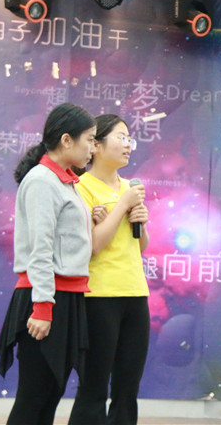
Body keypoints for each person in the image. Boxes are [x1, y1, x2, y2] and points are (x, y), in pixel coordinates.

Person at [0, 103, 96, 425]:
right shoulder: (42, 180)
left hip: (64, 297)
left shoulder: (65, 181)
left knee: (50, 394)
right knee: (34, 397)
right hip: (45, 297)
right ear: (66, 140)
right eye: (89, 139)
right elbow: (41, 250)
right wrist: (42, 307)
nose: (92, 148)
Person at [68, 115, 150, 424]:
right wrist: (122, 206)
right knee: (94, 386)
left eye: (130, 139)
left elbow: (140, 246)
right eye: (121, 137)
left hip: (135, 293)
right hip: (98, 296)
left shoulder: (130, 187)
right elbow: (93, 245)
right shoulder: (82, 188)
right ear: (96, 145)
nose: (128, 145)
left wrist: (140, 220)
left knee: (128, 389)